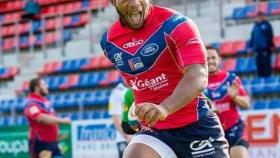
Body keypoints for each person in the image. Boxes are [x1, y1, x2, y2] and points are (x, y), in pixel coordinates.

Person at [100, 0, 230, 158]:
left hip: (197, 126)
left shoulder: (176, 24)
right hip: (154, 131)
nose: (134, 2)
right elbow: (138, 80)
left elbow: (198, 76)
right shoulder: (108, 42)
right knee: (134, 155)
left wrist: (164, 108)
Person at [204, 46, 250, 158]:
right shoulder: (198, 82)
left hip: (234, 128)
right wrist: (208, 110)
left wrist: (235, 97)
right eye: (207, 58)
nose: (210, 61)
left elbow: (246, 104)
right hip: (210, 132)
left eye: (213, 58)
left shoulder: (231, 78)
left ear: (219, 59)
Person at [24, 77, 71, 158]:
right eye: (44, 84)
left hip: (53, 142)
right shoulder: (31, 104)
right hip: (41, 143)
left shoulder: (44, 101)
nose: (47, 86)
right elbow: (40, 118)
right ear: (36, 88)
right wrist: (62, 121)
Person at [108, 82, 133, 158]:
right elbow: (115, 117)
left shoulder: (140, 86)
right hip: (125, 139)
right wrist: (127, 135)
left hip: (142, 136)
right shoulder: (117, 92)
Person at [248, 11, 275, 77]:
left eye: (260, 16)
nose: (259, 18)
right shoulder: (255, 26)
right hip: (257, 50)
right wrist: (250, 47)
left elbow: (270, 36)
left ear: (263, 17)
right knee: (259, 67)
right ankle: (260, 80)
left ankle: (267, 82)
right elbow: (252, 37)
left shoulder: (267, 25)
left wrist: (271, 45)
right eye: (258, 17)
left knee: (266, 67)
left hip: (265, 50)